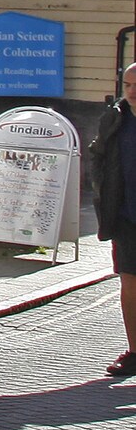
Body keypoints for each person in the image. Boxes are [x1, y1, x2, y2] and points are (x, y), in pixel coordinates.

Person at [88, 61, 136, 379]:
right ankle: (134, 353)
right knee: (130, 285)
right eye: (128, 85)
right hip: (127, 218)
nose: (131, 92)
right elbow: (100, 158)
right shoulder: (117, 118)